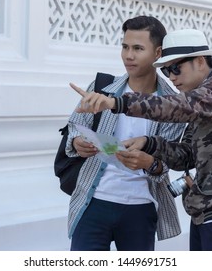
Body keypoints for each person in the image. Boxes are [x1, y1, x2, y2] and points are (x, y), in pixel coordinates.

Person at [70, 29, 212, 251]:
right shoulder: (202, 102)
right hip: (207, 212)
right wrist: (149, 143)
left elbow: (177, 106)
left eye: (175, 68)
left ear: (200, 61)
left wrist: (115, 103)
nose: (171, 77)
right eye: (167, 70)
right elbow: (185, 157)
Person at [65, 16, 185, 251]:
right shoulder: (102, 87)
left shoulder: (173, 105)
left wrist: (149, 162)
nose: (128, 55)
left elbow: (167, 164)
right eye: (125, 47)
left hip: (140, 209)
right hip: (93, 202)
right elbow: (73, 128)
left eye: (138, 48)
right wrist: (78, 141)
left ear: (158, 53)